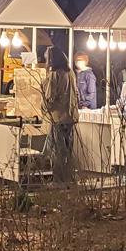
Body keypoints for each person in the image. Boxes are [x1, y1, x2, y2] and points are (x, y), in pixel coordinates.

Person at [41, 46, 78, 183]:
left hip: (58, 117)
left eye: (46, 58)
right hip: (70, 116)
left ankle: (58, 180)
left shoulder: (54, 75)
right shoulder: (70, 73)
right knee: (67, 150)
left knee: (57, 150)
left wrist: (44, 108)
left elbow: (50, 97)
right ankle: (68, 178)